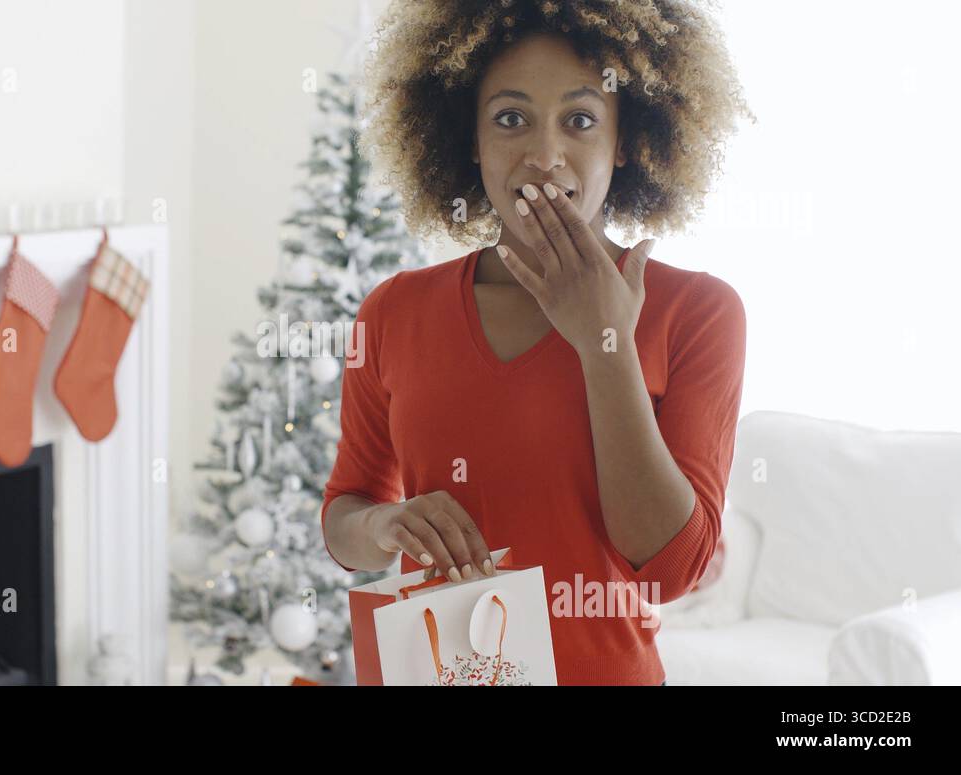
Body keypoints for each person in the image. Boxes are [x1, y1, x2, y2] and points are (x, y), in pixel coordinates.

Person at [321, 0, 753, 685]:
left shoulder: (698, 312)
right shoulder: (395, 311)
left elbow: (672, 568)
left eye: (580, 120)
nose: (544, 156)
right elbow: (344, 511)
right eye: (510, 118)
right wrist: (388, 525)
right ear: (470, 138)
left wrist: (604, 343)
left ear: (623, 141)